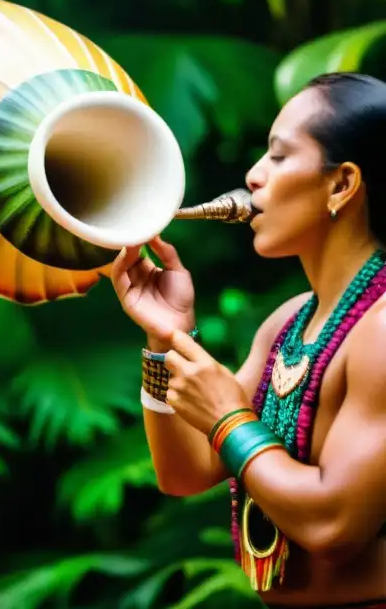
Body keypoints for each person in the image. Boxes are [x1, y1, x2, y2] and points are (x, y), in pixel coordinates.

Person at [112, 72, 386, 608]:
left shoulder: (381, 327)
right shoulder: (286, 323)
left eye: (279, 157)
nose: (253, 175)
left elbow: (334, 523)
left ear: (341, 184)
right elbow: (186, 472)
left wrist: (230, 420)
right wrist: (164, 337)